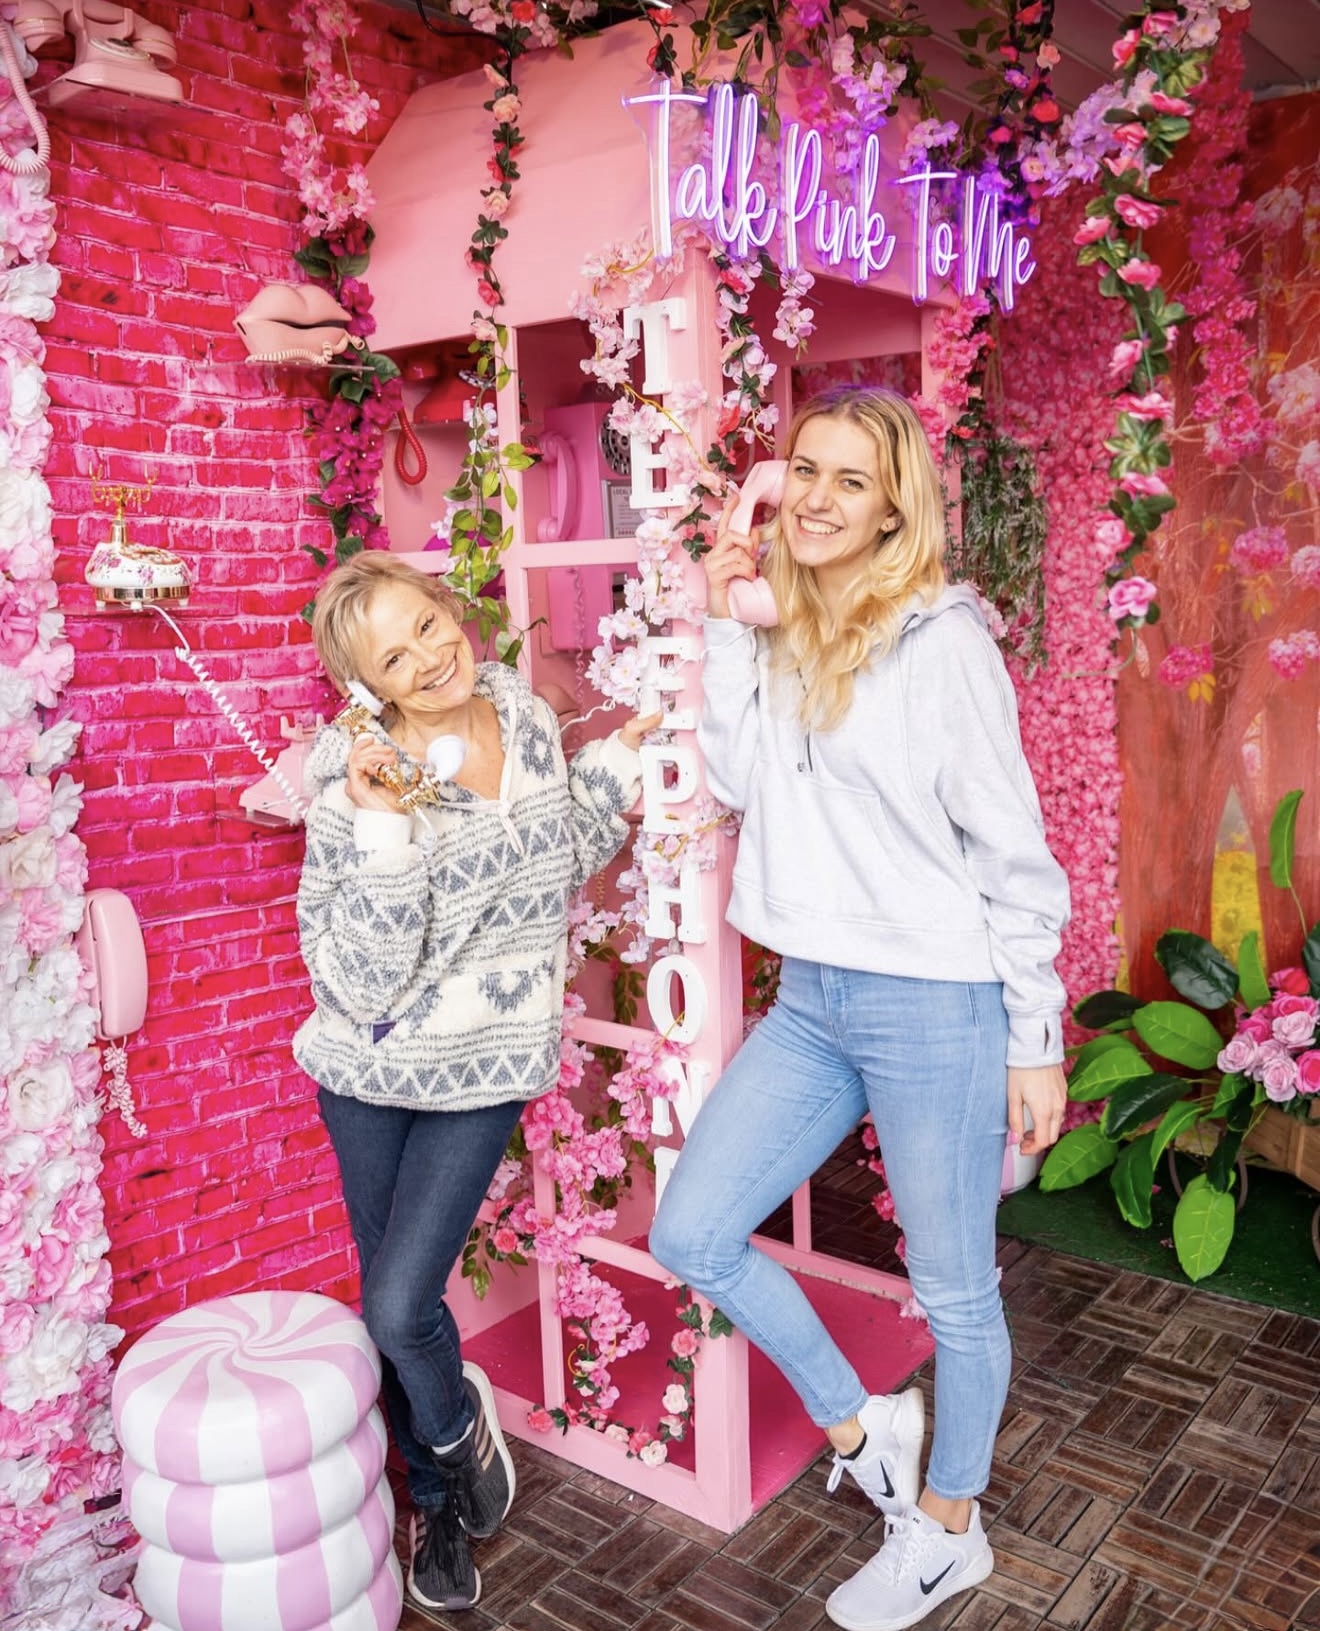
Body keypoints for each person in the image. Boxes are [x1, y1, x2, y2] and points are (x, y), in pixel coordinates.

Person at [649, 388, 1070, 1631]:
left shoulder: (942, 643)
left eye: (852, 480)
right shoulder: (788, 628)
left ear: (895, 508)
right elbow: (739, 777)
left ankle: (949, 1528)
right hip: (814, 994)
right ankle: (863, 1421)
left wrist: (1035, 1039)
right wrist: (727, 613)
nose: (819, 500)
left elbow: (1014, 853)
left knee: (955, 1291)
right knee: (694, 1229)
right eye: (805, 471)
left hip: (937, 1002)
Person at [294, 552, 656, 1615]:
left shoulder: (525, 718)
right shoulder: (353, 783)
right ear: (369, 687)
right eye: (392, 658)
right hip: (367, 1069)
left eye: (426, 624)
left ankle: (450, 1435)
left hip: (486, 1062)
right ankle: (445, 1482)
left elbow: (559, 859)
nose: (427, 656)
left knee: (399, 1300)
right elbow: (360, 980)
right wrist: (383, 827)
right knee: (392, 1304)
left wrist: (618, 765)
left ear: (451, 609)